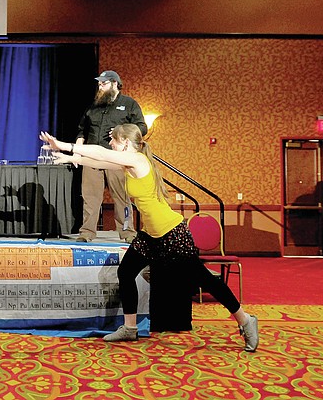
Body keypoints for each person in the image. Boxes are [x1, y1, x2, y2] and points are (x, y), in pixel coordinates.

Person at [39, 124, 259, 352]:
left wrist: (66, 145)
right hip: (151, 235)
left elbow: (102, 153)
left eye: (113, 140)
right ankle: (130, 327)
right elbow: (98, 161)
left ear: (125, 142)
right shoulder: (128, 163)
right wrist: (69, 158)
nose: (111, 144)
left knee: (204, 279)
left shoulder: (138, 160)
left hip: (171, 232)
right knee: (126, 272)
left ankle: (245, 320)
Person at [74, 70, 148, 243]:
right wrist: (78, 148)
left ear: (115, 83)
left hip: (116, 158)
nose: (100, 86)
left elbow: (142, 127)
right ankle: (87, 233)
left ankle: (127, 232)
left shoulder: (129, 104)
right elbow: (81, 129)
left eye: (104, 83)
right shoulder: (94, 105)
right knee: (90, 197)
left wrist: (123, 132)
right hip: (93, 156)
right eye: (99, 83)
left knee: (121, 196)